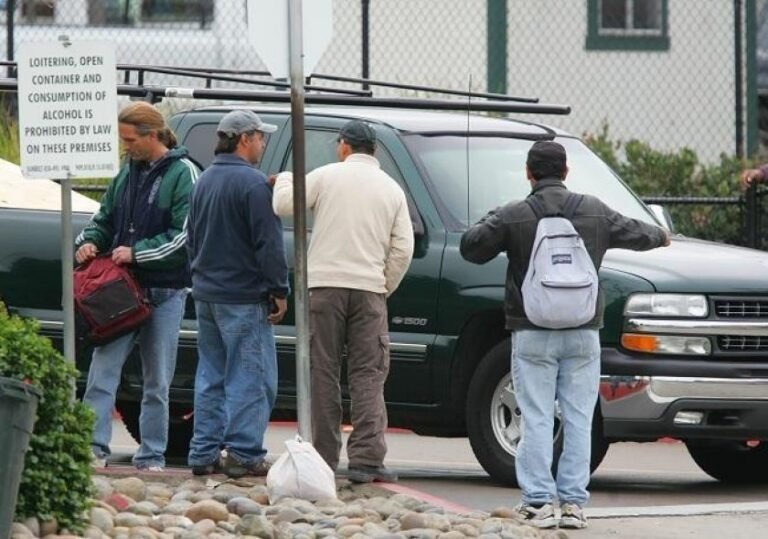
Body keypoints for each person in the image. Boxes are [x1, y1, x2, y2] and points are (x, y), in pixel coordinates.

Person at [460, 140, 670, 529]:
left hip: (532, 330)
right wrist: (662, 235)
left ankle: (538, 502)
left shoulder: (515, 214)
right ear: (566, 171)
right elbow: (639, 234)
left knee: (537, 416)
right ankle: (573, 504)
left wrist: (491, 218)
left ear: (529, 173)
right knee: (577, 417)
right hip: (582, 332)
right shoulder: (593, 210)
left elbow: (471, 248)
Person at [272, 120, 414, 483]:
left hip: (324, 288)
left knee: (324, 371)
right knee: (369, 374)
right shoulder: (392, 189)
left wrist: (286, 177)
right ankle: (367, 458)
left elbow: (284, 204)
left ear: (344, 147)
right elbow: (402, 248)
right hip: (369, 290)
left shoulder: (327, 176)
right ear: (375, 151)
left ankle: (323, 456)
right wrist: (382, 286)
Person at [75, 101, 200, 471]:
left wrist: (136, 253)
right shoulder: (125, 173)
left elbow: (184, 237)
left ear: (151, 135)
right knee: (102, 372)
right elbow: (103, 218)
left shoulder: (184, 174)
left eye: (130, 139)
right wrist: (90, 240)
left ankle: (152, 455)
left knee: (156, 383)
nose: (125, 146)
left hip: (163, 292)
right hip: (120, 291)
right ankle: (92, 448)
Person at [185, 109, 289, 478]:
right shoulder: (254, 184)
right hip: (243, 296)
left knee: (211, 375)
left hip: (207, 293)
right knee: (252, 377)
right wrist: (279, 289)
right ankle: (245, 453)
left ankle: (202, 452)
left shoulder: (204, 180)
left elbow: (191, 239)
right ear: (244, 138)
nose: (263, 143)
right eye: (261, 136)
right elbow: (269, 244)